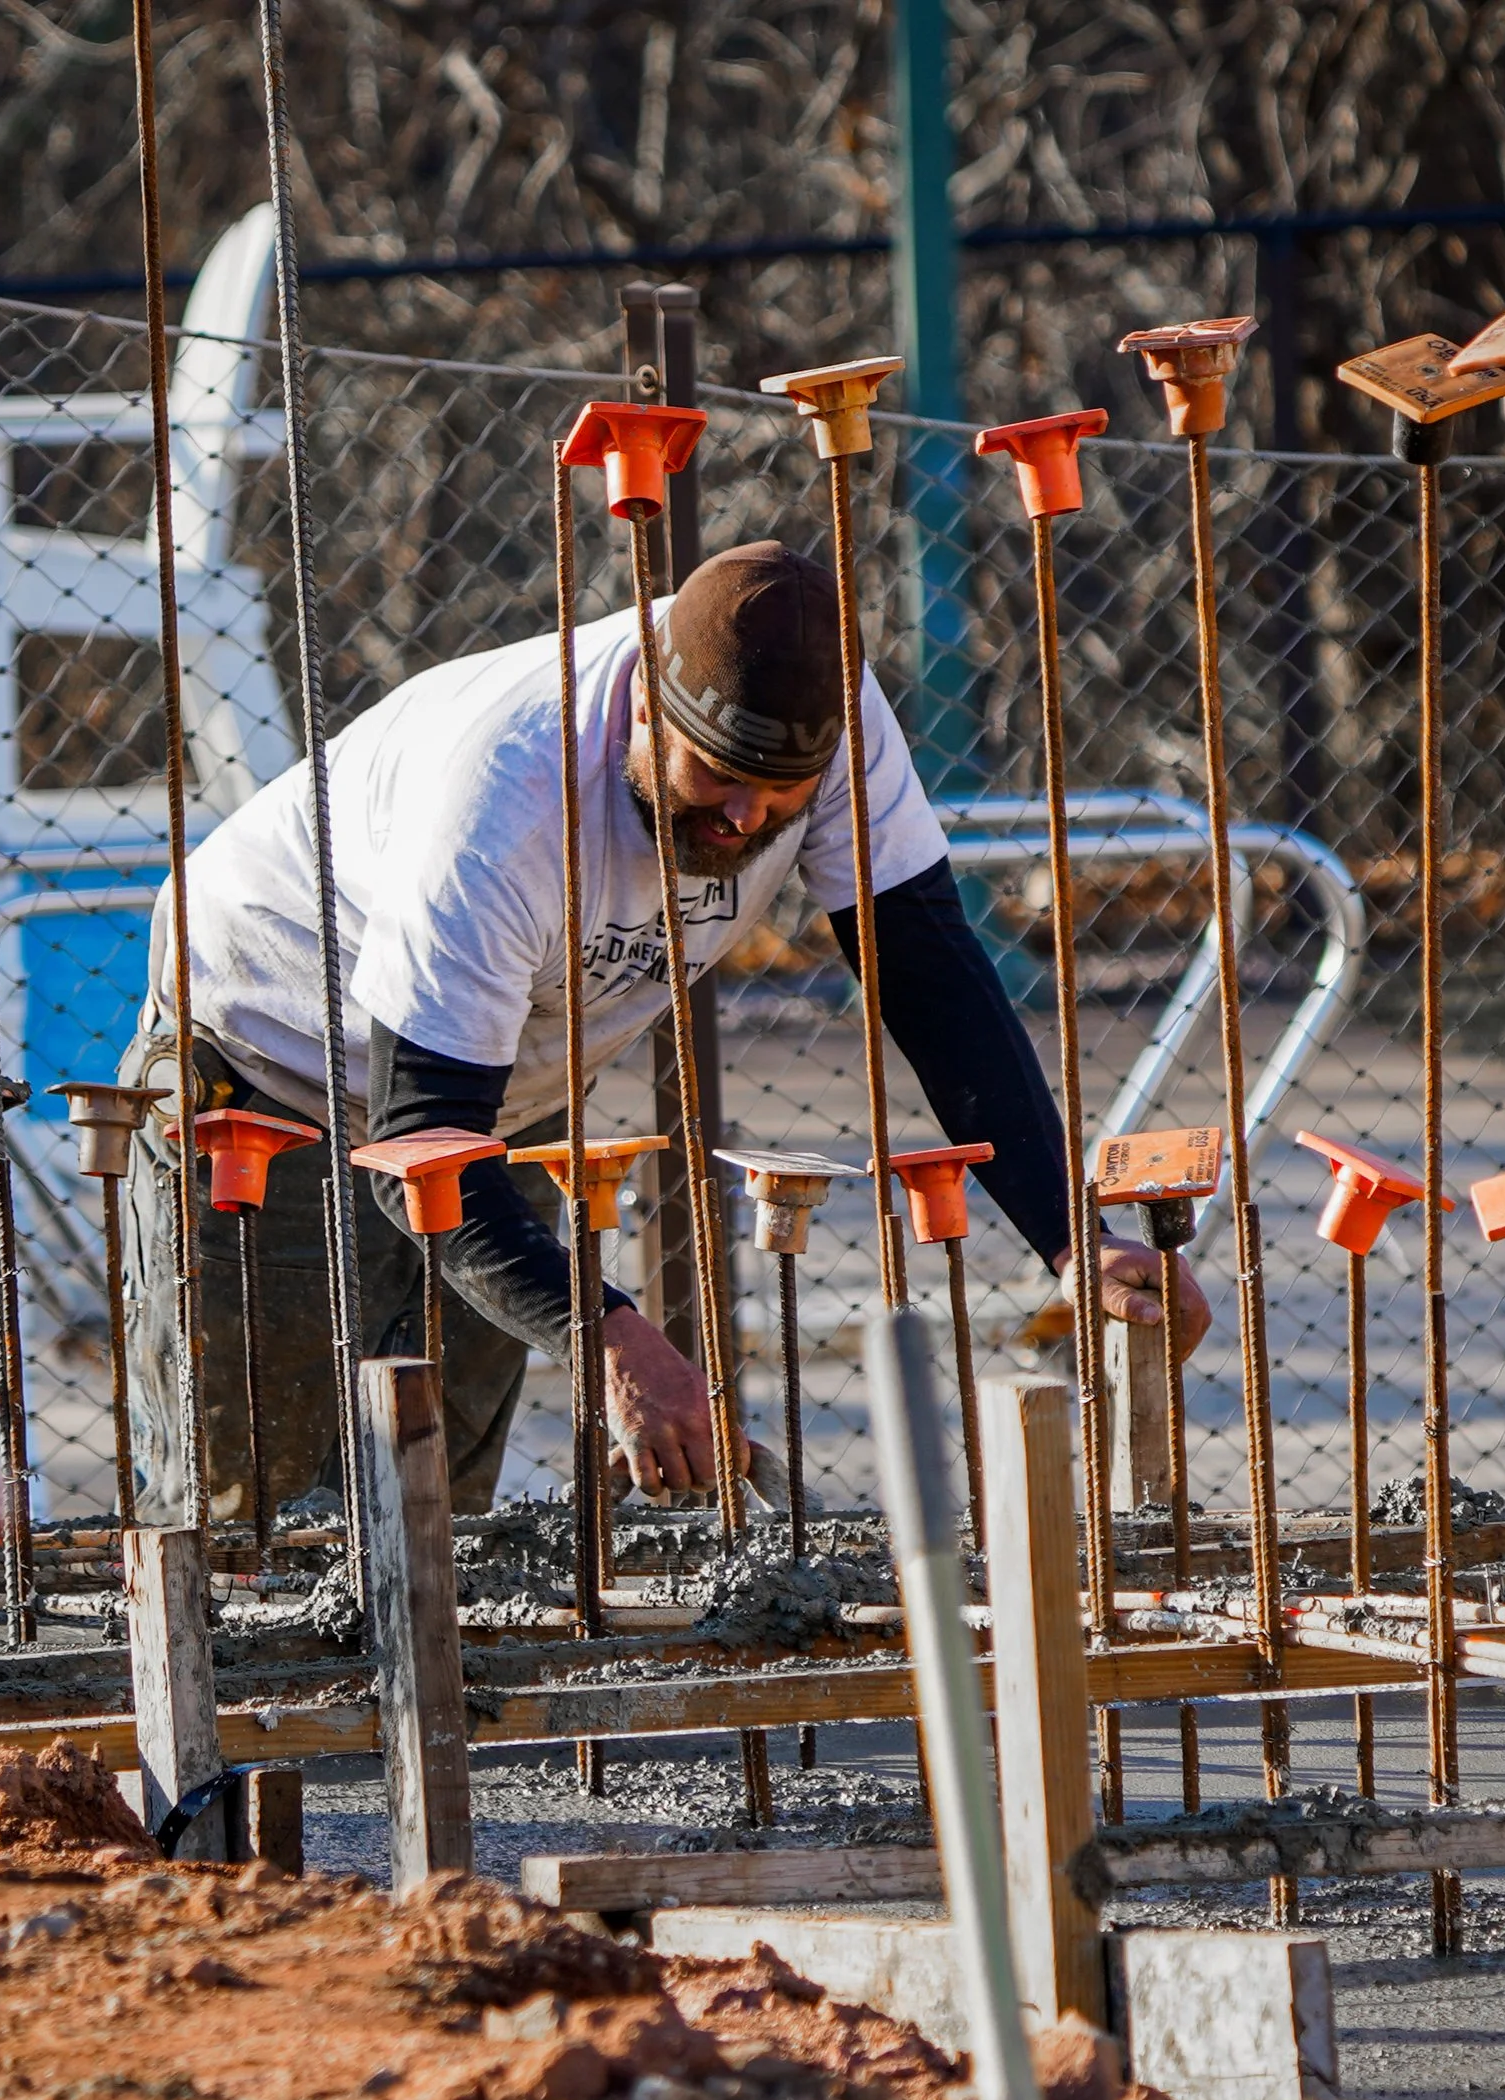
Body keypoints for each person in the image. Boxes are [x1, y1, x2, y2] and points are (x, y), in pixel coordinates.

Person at [119, 538, 1209, 1522]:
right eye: (720, 781)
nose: (748, 821)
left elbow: (931, 978)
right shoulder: (503, 801)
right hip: (265, 1079)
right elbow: (422, 1145)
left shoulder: (829, 721)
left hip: (496, 1099)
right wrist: (614, 1336)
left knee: (432, 1520)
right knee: (259, 1524)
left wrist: (1074, 1234)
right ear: (645, 703)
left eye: (782, 798)